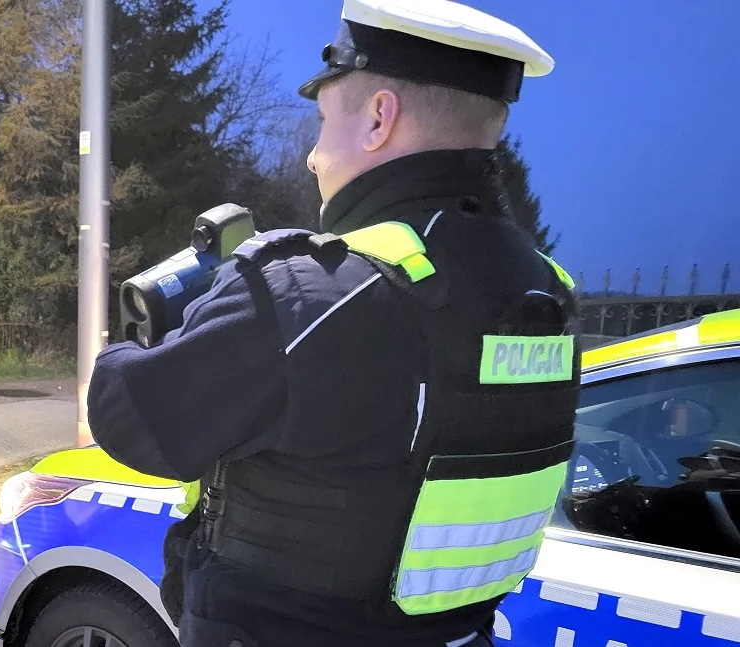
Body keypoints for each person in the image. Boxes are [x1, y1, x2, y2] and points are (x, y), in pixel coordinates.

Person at [86, 1, 582, 645]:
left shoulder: (308, 295)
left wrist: (167, 329)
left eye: (322, 122)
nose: (313, 157)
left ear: (379, 118)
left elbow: (131, 418)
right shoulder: (548, 295)